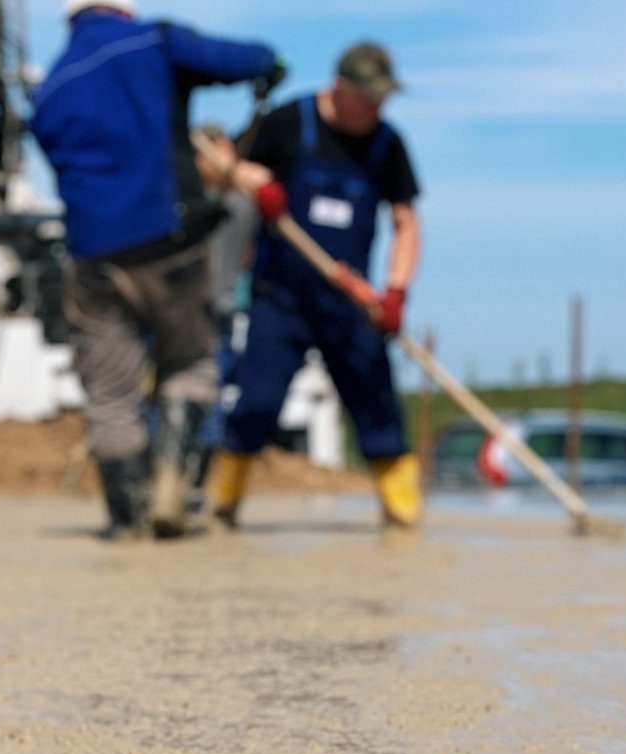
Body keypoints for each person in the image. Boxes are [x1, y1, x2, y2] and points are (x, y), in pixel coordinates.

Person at [30, 0, 283, 539]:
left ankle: (127, 519)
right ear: (124, 9)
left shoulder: (48, 92)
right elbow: (240, 60)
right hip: (169, 243)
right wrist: (269, 62)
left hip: (93, 258)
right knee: (191, 366)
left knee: (110, 397)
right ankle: (172, 487)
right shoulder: (153, 43)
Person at [200, 42, 424, 529]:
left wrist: (396, 293)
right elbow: (218, 167)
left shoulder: (388, 145)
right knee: (256, 400)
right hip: (281, 298)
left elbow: (407, 223)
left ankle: (403, 509)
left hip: (350, 304)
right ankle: (223, 499)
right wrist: (259, 183)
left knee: (377, 405)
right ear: (340, 89)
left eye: (383, 100)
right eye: (370, 99)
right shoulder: (289, 123)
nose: (378, 109)